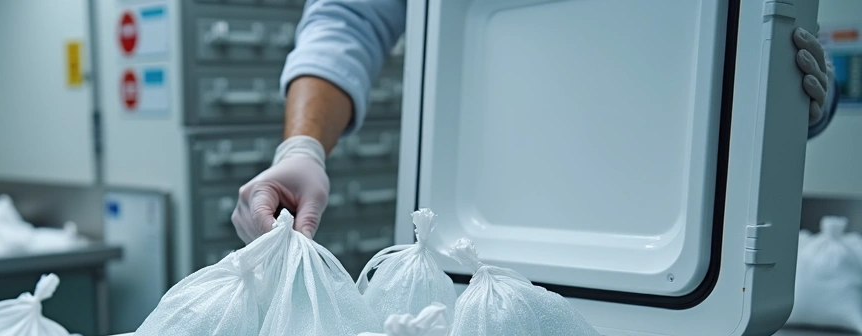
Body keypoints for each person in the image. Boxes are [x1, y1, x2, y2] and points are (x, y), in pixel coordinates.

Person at [230, 0, 839, 242]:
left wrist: (779, 111)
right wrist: (302, 146)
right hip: (475, 254)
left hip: (667, 260)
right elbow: (348, 19)